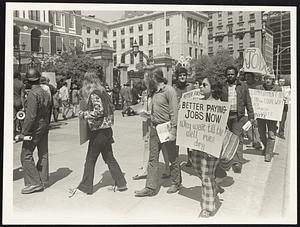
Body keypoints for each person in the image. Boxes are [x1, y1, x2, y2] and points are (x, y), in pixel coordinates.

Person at [69, 71, 127, 197]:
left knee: (90, 159)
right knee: (109, 157)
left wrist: (84, 114)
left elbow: (98, 111)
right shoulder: (104, 93)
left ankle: (85, 187)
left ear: (87, 82)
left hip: (98, 131)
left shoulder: (94, 94)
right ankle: (121, 182)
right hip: (106, 130)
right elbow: (110, 109)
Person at [134, 68, 181, 197]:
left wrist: (173, 130)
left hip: (167, 128)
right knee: (152, 158)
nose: (145, 82)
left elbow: (174, 112)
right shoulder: (152, 92)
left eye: (146, 79)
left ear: (153, 79)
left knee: (173, 157)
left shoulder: (169, 91)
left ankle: (176, 183)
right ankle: (150, 187)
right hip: (154, 128)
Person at [190, 75, 226, 218]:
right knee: (200, 171)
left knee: (206, 177)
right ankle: (214, 188)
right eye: (200, 85)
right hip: (197, 146)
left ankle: (208, 208)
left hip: (211, 148)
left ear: (212, 88)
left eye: (204, 85)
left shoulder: (218, 105)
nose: (201, 87)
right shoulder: (198, 103)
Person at [18, 68, 51, 194]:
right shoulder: (45, 92)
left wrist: (24, 132)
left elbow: (31, 116)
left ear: (28, 81)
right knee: (43, 152)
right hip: (44, 124)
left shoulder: (32, 94)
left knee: (25, 155)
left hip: (35, 126)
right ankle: (43, 179)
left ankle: (34, 183)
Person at [219, 66, 255, 173]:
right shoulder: (223, 86)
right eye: (228, 74)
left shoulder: (243, 86)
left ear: (236, 75)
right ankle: (228, 158)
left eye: (232, 74)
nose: (230, 76)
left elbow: (248, 101)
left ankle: (237, 162)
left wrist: (251, 116)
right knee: (226, 139)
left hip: (238, 116)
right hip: (226, 116)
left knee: (237, 138)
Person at [256, 74, 281, 162]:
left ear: (273, 80)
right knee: (261, 134)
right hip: (261, 115)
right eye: (266, 78)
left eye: (269, 79)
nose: (267, 80)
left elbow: (280, 102)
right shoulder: (259, 88)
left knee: (271, 134)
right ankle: (267, 147)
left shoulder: (277, 89)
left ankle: (268, 154)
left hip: (272, 116)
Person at [174, 67, 194, 167]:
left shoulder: (191, 86)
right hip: (177, 117)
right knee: (176, 140)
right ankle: (175, 160)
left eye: (184, 75)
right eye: (180, 75)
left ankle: (190, 159)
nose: (182, 77)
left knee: (189, 139)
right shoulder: (173, 88)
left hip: (188, 117)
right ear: (177, 77)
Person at [13, 71, 25, 136]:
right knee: (21, 118)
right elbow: (22, 96)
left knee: (13, 119)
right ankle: (23, 134)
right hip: (18, 102)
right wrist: (23, 106)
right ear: (18, 76)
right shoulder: (21, 84)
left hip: (10, 102)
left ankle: (13, 135)